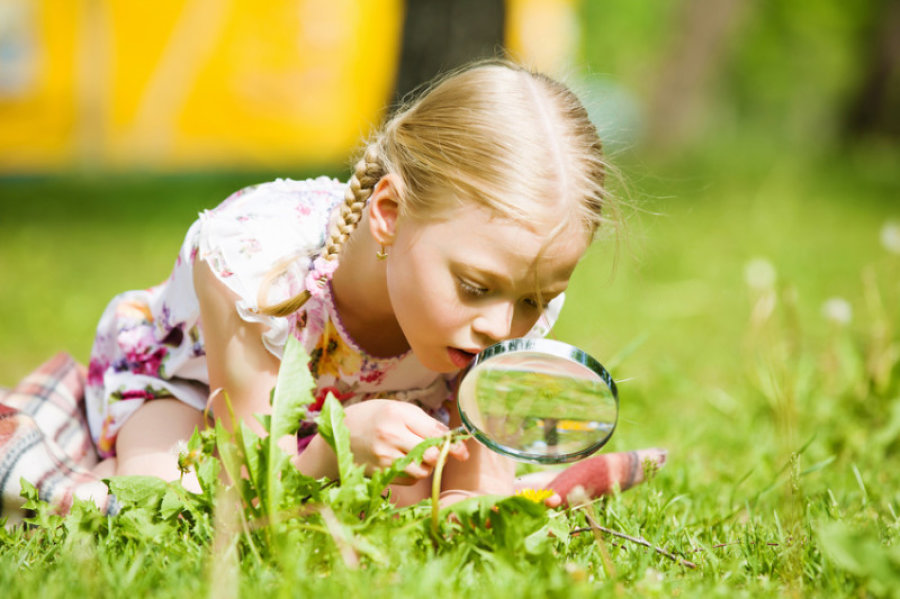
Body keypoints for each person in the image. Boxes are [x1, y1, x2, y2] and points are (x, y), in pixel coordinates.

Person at [78, 60, 666, 511]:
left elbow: (473, 484)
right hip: (195, 395)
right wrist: (332, 449)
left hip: (367, 421)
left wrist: (471, 504)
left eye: (534, 299)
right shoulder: (258, 264)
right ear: (388, 213)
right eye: (473, 286)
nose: (500, 327)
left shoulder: (508, 299)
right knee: (174, 498)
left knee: (406, 502)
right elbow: (255, 484)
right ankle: (94, 478)